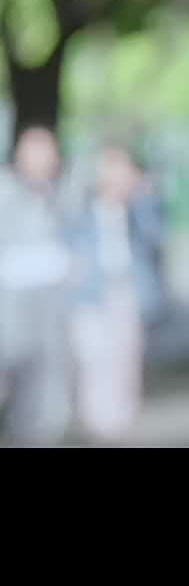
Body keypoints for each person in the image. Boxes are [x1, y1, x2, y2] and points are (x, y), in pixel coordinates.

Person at [64, 142, 149, 445]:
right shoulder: (82, 212)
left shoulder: (136, 212)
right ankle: (97, 424)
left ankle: (117, 424)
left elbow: (155, 237)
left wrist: (140, 195)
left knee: (126, 359)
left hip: (126, 293)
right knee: (93, 358)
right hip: (92, 295)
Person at [0, 125, 76, 446]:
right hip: (10, 308)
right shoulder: (5, 192)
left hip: (49, 310)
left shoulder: (62, 194)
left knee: (45, 384)